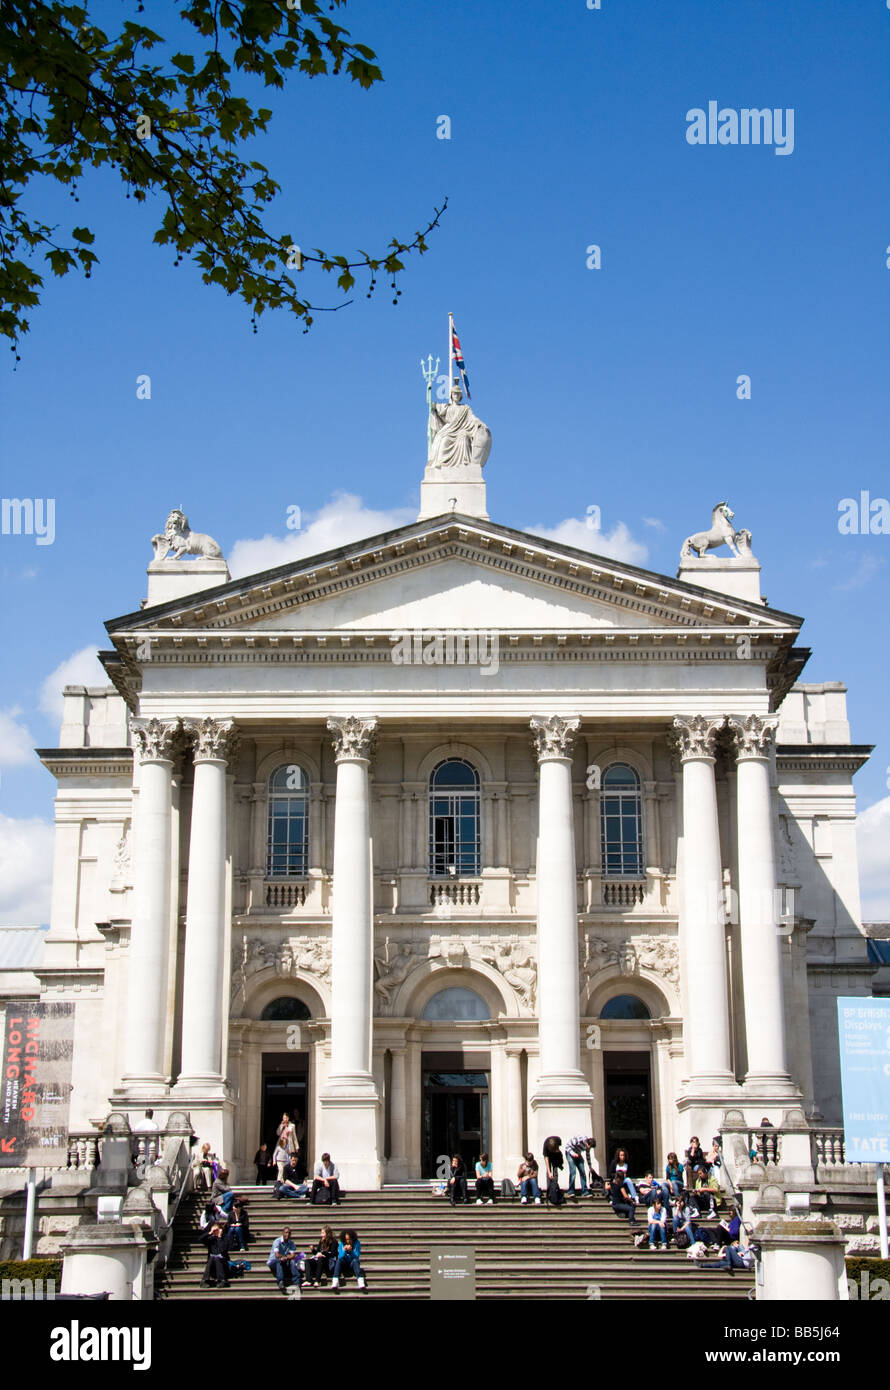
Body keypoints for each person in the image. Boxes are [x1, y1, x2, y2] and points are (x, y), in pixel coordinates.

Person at [332, 1228, 366, 1293]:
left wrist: (351, 1251)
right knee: (339, 1260)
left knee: (355, 1261)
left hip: (352, 1264)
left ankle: (361, 1282)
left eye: (349, 1239)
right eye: (346, 1239)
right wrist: (345, 1251)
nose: (348, 1241)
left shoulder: (357, 1243)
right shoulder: (341, 1244)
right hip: (344, 1264)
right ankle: (335, 1281)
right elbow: (341, 1256)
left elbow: (357, 1256)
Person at [267, 1226, 301, 1292]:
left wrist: (286, 1257)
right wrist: (283, 1257)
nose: (287, 1234)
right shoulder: (277, 1241)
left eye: (289, 1233)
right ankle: (280, 1281)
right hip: (274, 1262)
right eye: (286, 1233)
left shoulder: (291, 1243)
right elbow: (277, 1254)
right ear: (282, 1233)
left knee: (292, 1261)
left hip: (284, 1261)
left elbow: (293, 1255)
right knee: (278, 1260)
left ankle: (297, 1282)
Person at [200, 1221, 231, 1288]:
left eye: (216, 1230)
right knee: (212, 1257)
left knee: (217, 1257)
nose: (215, 1232)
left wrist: (219, 1238)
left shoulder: (225, 1238)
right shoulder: (211, 1239)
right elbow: (200, 1239)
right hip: (212, 1265)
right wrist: (210, 1232)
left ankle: (222, 1280)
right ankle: (204, 1280)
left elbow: (223, 1250)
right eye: (214, 1230)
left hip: (223, 1265)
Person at [543, 1136, 565, 1206]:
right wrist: (549, 1172)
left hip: (556, 1155)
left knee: (555, 1171)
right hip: (549, 1157)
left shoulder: (558, 1140)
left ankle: (555, 1187)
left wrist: (556, 1151)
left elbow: (559, 1151)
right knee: (549, 1173)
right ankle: (550, 1190)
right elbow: (546, 1158)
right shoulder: (546, 1145)